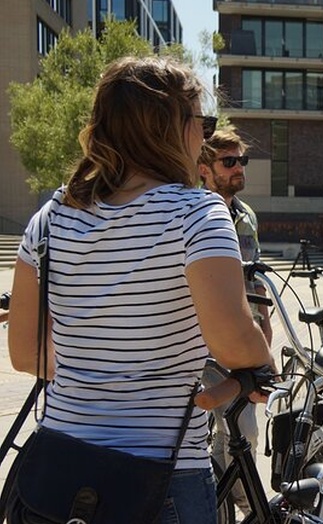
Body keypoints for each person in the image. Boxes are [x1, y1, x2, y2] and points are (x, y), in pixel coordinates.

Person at [7, 56, 273, 523]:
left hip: (57, 473)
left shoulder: (49, 219)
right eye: (202, 123)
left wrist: (99, 369)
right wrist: (262, 364)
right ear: (169, 129)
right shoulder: (197, 213)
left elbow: (27, 354)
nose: (204, 138)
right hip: (160, 477)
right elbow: (232, 341)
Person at [197, 126, 271, 516]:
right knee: (236, 428)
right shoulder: (194, 212)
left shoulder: (245, 216)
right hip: (204, 339)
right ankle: (245, 508)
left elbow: (253, 276)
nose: (239, 167)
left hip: (242, 337)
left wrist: (265, 323)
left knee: (235, 428)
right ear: (204, 169)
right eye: (229, 161)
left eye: (242, 160)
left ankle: (224, 506)